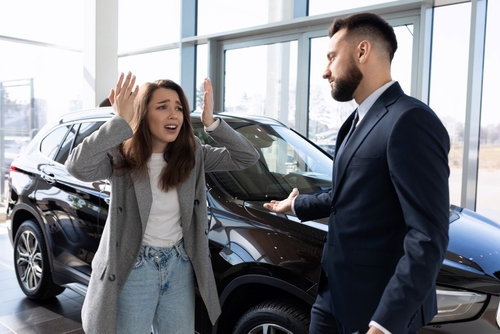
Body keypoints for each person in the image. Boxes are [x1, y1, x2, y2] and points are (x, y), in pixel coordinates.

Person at [264, 13, 450, 334]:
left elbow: (427, 236)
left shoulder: (411, 121)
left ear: (362, 52)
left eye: (332, 57)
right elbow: (347, 196)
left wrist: (385, 323)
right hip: (332, 296)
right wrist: (294, 206)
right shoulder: (352, 123)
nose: (325, 71)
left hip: (375, 308)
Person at [66, 72, 259, 333]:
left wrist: (212, 123)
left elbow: (247, 157)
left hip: (179, 265)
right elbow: (77, 166)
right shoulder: (120, 156)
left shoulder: (192, 155)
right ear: (143, 114)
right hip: (134, 267)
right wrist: (120, 120)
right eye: (162, 107)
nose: (174, 115)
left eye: (178, 108)